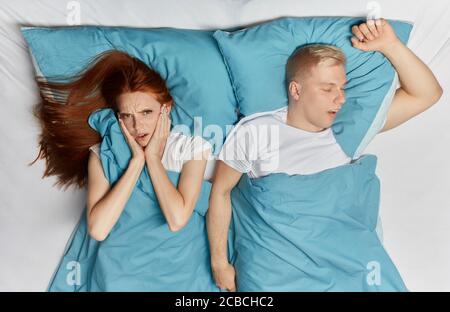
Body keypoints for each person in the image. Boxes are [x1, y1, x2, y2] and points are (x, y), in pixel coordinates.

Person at [207, 19, 443, 291]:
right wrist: (220, 263)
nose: (340, 98)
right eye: (328, 89)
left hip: (347, 266)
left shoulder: (348, 130)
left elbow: (427, 94)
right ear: (296, 90)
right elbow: (221, 192)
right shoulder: (257, 131)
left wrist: (391, 46)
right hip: (281, 270)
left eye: (342, 88)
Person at [31, 50, 218, 291]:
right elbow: (98, 229)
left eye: (146, 113)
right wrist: (136, 164)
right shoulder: (103, 153)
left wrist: (152, 158)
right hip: (121, 271)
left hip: (175, 272)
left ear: (166, 108)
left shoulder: (192, 148)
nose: (137, 126)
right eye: (126, 116)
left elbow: (177, 218)